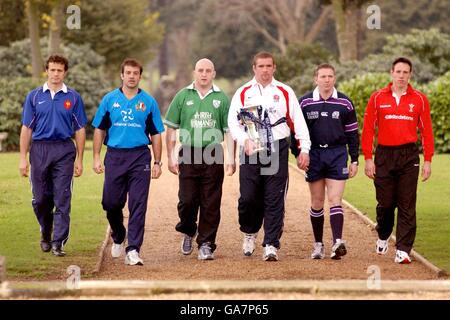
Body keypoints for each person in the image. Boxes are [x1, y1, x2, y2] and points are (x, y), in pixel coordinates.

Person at [228, 51, 311, 261]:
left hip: (277, 147)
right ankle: (249, 232)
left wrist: (305, 149)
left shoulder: (284, 91)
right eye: (261, 66)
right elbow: (232, 122)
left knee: (274, 198)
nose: (265, 70)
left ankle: (271, 243)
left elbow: (298, 122)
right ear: (254, 68)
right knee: (248, 197)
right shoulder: (243, 92)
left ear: (274, 68)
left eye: (268, 66)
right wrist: (243, 139)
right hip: (251, 148)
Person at [362, 57, 434, 264]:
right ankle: (383, 235)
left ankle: (403, 250)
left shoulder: (419, 99)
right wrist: (368, 158)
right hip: (384, 155)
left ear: (410, 75)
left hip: (409, 156)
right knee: (385, 204)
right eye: (398, 72)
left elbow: (426, 132)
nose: (402, 76)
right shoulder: (377, 98)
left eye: (406, 72)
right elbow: (368, 130)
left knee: (407, 204)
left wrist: (427, 160)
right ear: (391, 73)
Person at [92, 58, 164, 266]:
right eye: (128, 73)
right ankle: (118, 234)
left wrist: (157, 162)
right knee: (110, 203)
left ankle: (133, 249)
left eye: (136, 73)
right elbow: (99, 128)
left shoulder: (148, 102)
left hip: (139, 156)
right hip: (114, 156)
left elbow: (156, 133)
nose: (132, 76)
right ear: (122, 75)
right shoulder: (109, 100)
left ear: (140, 76)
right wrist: (96, 156)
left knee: (138, 204)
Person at [165, 58, 236, 261]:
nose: (204, 74)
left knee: (210, 202)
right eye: (200, 70)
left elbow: (229, 131)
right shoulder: (182, 96)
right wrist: (170, 157)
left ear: (214, 73)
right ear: (194, 72)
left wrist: (231, 158)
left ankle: (206, 243)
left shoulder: (222, 98)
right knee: (187, 201)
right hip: (188, 152)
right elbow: (171, 127)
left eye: (208, 71)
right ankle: (188, 230)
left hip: (213, 153)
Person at [19, 55, 87, 257]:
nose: (56, 74)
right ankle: (46, 232)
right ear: (46, 71)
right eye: (52, 70)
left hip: (64, 150)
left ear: (65, 72)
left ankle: (58, 242)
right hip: (40, 149)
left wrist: (80, 159)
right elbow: (26, 128)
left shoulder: (73, 97)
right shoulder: (33, 96)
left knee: (62, 197)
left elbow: (80, 129)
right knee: (41, 199)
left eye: (60, 70)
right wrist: (23, 158)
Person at [290, 63, 359, 260]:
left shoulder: (345, 103)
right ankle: (318, 244)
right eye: (323, 76)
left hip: (337, 154)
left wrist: (354, 159)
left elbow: (353, 134)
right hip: (314, 155)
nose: (327, 80)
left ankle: (337, 242)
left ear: (334, 78)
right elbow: (295, 133)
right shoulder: (304, 102)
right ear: (316, 79)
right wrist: (298, 154)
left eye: (330, 76)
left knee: (335, 199)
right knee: (317, 201)